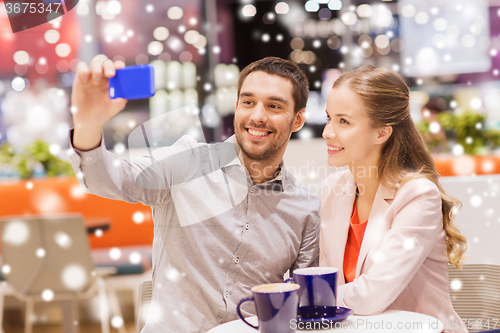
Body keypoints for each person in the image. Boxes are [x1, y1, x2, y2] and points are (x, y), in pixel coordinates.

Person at [69, 56, 320, 333]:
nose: (257, 116)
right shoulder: (186, 163)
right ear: (236, 107)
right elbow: (107, 179)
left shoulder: (304, 208)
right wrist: (87, 124)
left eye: (274, 106)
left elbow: (308, 306)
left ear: (298, 119)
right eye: (248, 102)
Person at [319, 65, 468, 333]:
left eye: (344, 121)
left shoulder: (417, 195)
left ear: (381, 133)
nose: (328, 132)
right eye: (329, 118)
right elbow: (324, 282)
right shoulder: (333, 189)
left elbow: (372, 296)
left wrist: (308, 300)